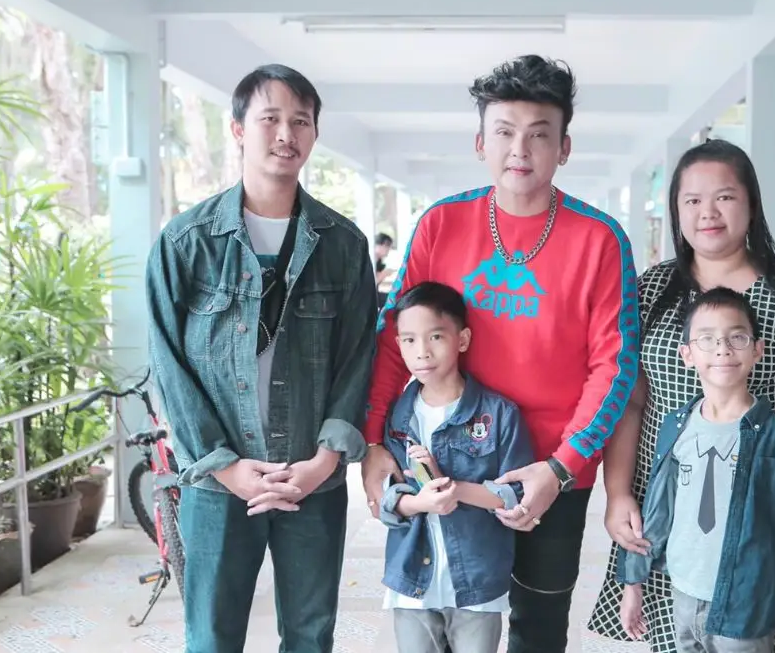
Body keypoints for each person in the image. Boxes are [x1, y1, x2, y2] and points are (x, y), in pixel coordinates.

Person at [361, 54, 640, 653]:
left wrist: (561, 467)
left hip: (550, 470)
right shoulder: (441, 224)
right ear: (480, 142)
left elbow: (614, 367)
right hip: (445, 465)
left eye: (539, 134)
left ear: (564, 148)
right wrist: (373, 441)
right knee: (441, 616)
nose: (520, 149)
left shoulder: (600, 239)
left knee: (538, 628)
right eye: (505, 132)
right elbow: (393, 339)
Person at [146, 64, 377, 653]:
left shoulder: (344, 245)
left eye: (300, 121)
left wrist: (324, 460)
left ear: (314, 134)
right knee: (212, 637)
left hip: (312, 480)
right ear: (238, 129)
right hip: (218, 484)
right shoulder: (186, 243)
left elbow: (358, 357)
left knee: (310, 635)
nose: (285, 134)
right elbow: (168, 367)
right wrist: (225, 466)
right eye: (269, 118)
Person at [589, 139, 775, 653]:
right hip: (670, 505)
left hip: (759, 511)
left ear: (751, 203)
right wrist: (618, 493)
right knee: (677, 636)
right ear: (676, 209)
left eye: (724, 197)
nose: (708, 212)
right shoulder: (650, 290)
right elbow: (631, 404)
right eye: (692, 200)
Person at [617, 287, 775, 653]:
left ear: (758, 349)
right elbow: (657, 510)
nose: (722, 348)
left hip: (746, 606)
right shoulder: (675, 427)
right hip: (683, 594)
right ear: (687, 355)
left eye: (737, 337)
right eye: (707, 339)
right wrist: (633, 585)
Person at [377, 281, 534, 653]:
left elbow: (516, 496)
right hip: (412, 579)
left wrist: (453, 489)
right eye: (409, 340)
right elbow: (387, 495)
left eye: (435, 337)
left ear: (462, 339)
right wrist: (420, 503)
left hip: (477, 581)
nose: (422, 351)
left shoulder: (499, 414)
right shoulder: (398, 416)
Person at [375, 232, 396, 308]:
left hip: (374, 295)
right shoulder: (369, 259)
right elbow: (371, 283)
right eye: (387, 246)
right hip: (366, 296)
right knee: (394, 301)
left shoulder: (378, 261)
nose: (389, 249)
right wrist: (384, 274)